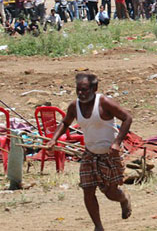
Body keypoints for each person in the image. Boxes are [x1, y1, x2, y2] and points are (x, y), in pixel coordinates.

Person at [45, 73, 132, 231]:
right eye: (78, 90)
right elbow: (65, 122)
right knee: (88, 189)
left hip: (109, 154)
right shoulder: (74, 106)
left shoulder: (104, 103)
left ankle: (124, 199)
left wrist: (117, 142)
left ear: (94, 89)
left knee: (110, 193)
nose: (81, 94)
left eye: (84, 90)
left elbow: (127, 118)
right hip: (90, 153)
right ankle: (98, 226)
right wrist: (54, 139)